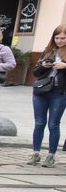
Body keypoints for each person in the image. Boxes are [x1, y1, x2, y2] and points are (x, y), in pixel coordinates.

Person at [27, 25, 66, 167]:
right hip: (41, 91)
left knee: (53, 124)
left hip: (59, 92)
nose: (59, 41)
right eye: (57, 38)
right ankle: (35, 153)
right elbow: (36, 73)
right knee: (39, 123)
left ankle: (51, 156)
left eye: (63, 38)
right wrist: (44, 65)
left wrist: (64, 66)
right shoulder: (48, 51)